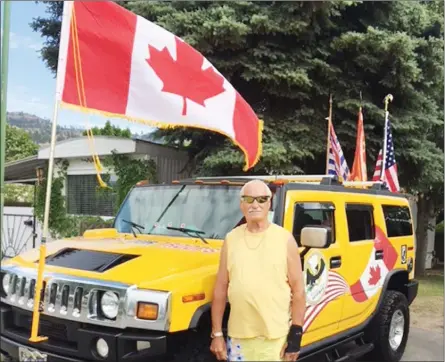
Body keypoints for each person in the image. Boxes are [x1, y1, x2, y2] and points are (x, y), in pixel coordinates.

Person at [210, 179, 306, 362]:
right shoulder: (231, 239)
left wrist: (295, 337)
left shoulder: (285, 239)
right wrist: (216, 334)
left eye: (261, 199)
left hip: (274, 339)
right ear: (241, 204)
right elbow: (221, 288)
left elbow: (299, 291)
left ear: (269, 203)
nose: (255, 204)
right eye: (249, 199)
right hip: (239, 338)